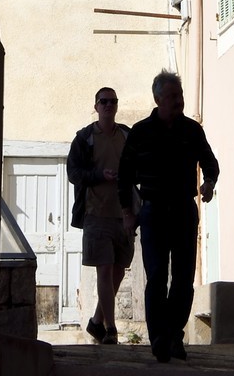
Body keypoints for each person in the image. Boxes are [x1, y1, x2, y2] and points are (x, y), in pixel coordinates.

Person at [117, 71, 219, 364]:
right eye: (173, 96)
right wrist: (127, 213)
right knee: (157, 276)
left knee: (184, 279)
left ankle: (174, 334)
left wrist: (209, 183)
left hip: (185, 210)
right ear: (158, 99)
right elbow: (124, 177)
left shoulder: (191, 130)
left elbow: (210, 163)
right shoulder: (140, 132)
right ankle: (159, 338)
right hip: (153, 212)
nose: (179, 101)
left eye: (181, 95)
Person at [67, 86, 135, 345]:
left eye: (113, 101)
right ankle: (111, 328)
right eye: (103, 101)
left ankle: (96, 321)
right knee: (104, 271)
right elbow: (74, 173)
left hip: (124, 214)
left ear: (117, 107)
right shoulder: (84, 139)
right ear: (96, 106)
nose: (109, 105)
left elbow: (137, 167)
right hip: (96, 215)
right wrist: (99, 176)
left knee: (119, 271)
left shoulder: (127, 136)